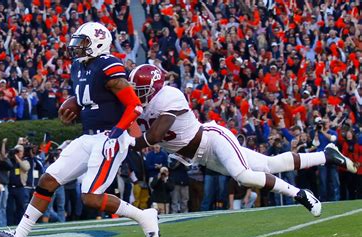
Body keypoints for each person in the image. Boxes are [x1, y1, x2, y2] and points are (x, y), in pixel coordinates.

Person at [0, 22, 159, 237]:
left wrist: (116, 134)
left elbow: (134, 106)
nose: (77, 47)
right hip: (87, 137)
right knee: (48, 180)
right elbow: (88, 100)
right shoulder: (79, 67)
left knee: (90, 197)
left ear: (98, 43)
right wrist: (74, 110)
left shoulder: (108, 65)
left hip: (109, 138)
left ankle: (144, 216)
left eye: (83, 43)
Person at [128, 64, 358, 217]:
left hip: (212, 140)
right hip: (202, 157)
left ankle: (299, 194)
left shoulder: (170, 96)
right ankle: (326, 155)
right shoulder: (141, 106)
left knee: (244, 176)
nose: (136, 94)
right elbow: (135, 131)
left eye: (140, 89)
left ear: (154, 87)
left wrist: (123, 142)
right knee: (271, 165)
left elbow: (154, 136)